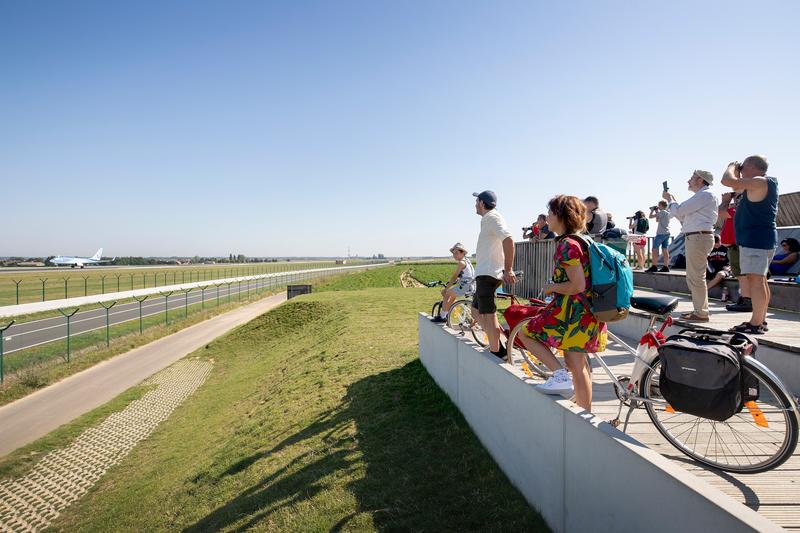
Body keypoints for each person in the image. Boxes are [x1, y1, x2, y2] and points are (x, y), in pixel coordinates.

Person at [515, 195, 607, 411]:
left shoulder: (567, 244)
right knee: (578, 367)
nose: (547, 218)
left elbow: (577, 285)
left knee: (526, 334)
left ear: (562, 216)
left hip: (574, 314)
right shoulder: (582, 240)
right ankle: (585, 415)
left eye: (550, 213)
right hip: (584, 312)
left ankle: (559, 375)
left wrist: (552, 287)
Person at [721, 156, 779, 334]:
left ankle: (755, 323)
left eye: (743, 167)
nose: (741, 169)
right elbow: (735, 186)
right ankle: (760, 320)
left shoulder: (761, 181)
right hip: (759, 239)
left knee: (756, 281)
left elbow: (727, 181)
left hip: (756, 239)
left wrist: (731, 166)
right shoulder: (761, 184)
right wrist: (738, 172)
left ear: (752, 167)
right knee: (760, 280)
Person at [663, 170, 718, 322]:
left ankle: (701, 313)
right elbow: (679, 214)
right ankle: (700, 311)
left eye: (692, 178)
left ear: (700, 180)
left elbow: (679, 211)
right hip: (697, 237)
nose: (689, 181)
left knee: (696, 277)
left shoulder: (705, 195)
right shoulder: (703, 196)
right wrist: (672, 202)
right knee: (694, 277)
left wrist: (671, 199)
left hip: (698, 237)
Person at [472, 190, 516, 357]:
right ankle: (497, 344)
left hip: (488, 274)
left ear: (482, 203)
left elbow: (509, 240)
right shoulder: (488, 219)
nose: (475, 204)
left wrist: (508, 269)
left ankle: (497, 352)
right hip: (484, 273)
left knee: (488, 316)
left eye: (476, 201)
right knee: (475, 312)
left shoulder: (492, 217)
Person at [718, 191, 751, 311]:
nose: (735, 201)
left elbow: (720, 212)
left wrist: (725, 201)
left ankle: (747, 300)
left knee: (742, 275)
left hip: (737, 246)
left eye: (737, 199)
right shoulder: (736, 212)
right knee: (741, 275)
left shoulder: (736, 212)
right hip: (734, 247)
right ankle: (744, 298)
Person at [431, 243, 475, 323]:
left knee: (447, 293)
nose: (454, 255)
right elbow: (466, 275)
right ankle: (446, 312)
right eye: (453, 253)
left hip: (466, 285)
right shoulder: (467, 261)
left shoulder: (461, 263)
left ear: (463, 253)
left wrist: (446, 288)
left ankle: (443, 316)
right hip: (471, 285)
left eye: (456, 253)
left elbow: (454, 277)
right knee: (452, 295)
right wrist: (457, 280)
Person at [646, 201, 671, 273]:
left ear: (661, 205)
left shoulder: (662, 212)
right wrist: (656, 211)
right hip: (667, 233)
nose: (658, 206)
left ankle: (654, 266)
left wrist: (652, 210)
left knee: (654, 249)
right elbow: (657, 220)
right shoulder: (667, 212)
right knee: (665, 250)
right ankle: (666, 267)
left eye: (658, 205)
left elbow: (650, 217)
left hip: (661, 234)